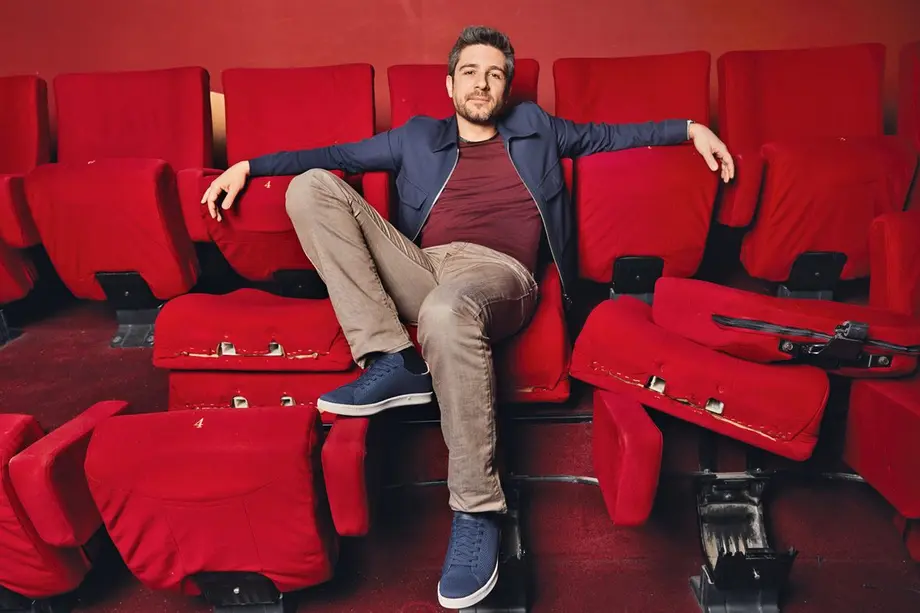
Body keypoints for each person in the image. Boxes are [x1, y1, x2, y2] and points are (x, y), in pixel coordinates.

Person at [202, 25, 734, 609]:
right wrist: (247, 164)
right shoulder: (416, 137)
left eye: (495, 74)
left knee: (447, 308)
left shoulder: (537, 127)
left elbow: (612, 135)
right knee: (309, 188)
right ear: (450, 84)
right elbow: (334, 156)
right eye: (471, 72)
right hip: (423, 264)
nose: (483, 84)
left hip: (500, 274)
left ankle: (477, 508)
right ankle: (391, 358)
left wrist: (692, 128)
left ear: (506, 87)